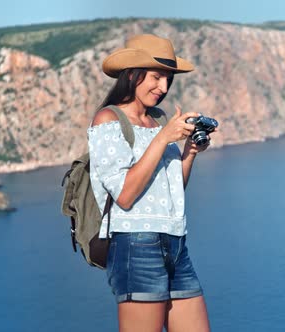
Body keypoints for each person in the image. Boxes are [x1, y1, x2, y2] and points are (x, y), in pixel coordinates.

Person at [87, 34, 212, 332]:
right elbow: (126, 195)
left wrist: (189, 154)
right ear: (132, 74)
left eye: (168, 79)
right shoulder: (108, 120)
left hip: (176, 244)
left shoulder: (158, 120)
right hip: (135, 245)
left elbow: (172, 190)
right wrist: (164, 137)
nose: (163, 88)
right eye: (156, 77)